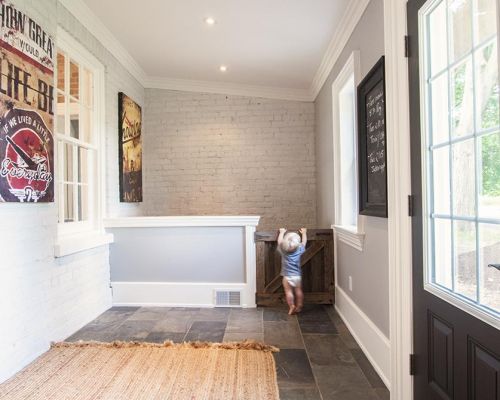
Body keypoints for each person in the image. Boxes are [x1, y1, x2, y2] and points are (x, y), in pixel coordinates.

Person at [277, 227, 307, 315]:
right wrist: (304, 233)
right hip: (297, 276)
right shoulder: (299, 249)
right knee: (298, 291)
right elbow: (304, 243)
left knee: (288, 292)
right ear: (297, 243)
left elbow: (279, 242)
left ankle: (291, 306)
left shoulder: (283, 250)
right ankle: (299, 305)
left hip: (286, 276)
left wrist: (282, 232)